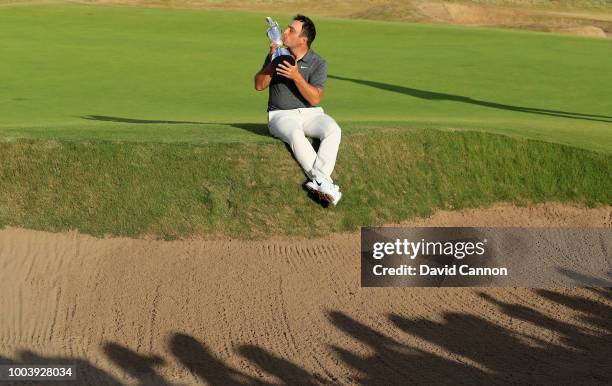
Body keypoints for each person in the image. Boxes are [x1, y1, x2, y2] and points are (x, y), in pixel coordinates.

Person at [254, 14, 342, 205]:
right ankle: (324, 182)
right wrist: (272, 62)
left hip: (312, 114)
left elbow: (315, 98)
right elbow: (259, 85)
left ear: (303, 39)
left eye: (291, 30)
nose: (285, 32)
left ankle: (320, 180)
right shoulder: (277, 54)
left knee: (333, 129)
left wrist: (295, 76)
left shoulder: (319, 63)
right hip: (280, 116)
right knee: (295, 133)